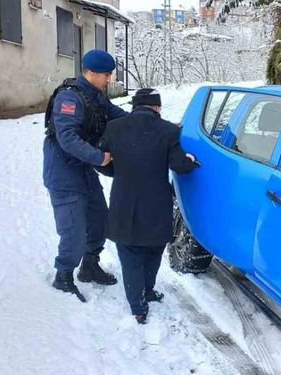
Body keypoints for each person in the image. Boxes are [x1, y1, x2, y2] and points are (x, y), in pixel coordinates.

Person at [98, 88, 198, 324]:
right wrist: (191, 161)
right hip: (156, 201)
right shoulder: (169, 131)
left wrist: (118, 172)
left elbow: (99, 161)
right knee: (153, 249)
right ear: (157, 108)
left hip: (124, 200)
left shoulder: (114, 128)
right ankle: (149, 290)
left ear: (135, 106)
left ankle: (137, 306)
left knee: (130, 252)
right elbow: (178, 165)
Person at [43, 49, 128, 302]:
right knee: (74, 230)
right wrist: (98, 158)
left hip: (82, 170)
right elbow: (67, 137)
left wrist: (150, 121)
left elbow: (118, 117)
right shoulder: (68, 98)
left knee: (100, 219)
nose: (109, 79)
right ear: (90, 72)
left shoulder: (95, 96)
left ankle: (89, 266)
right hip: (63, 172)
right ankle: (64, 275)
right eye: (106, 74)